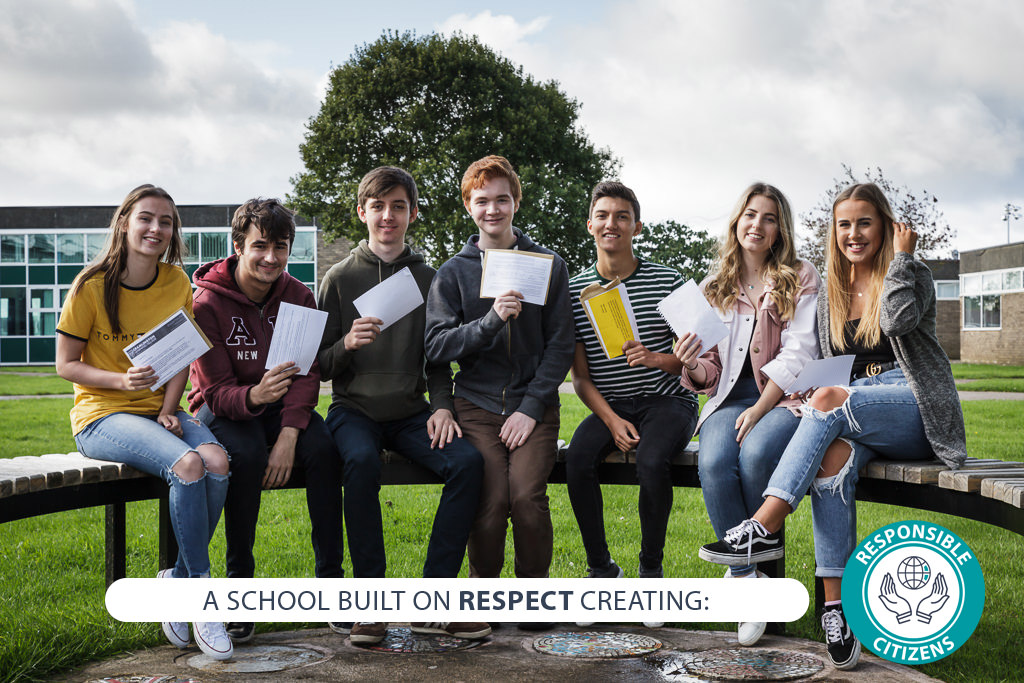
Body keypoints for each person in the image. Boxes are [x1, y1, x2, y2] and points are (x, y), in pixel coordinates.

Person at [695, 183, 966, 669]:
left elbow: (901, 322)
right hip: (850, 412)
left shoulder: (914, 274)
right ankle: (837, 610)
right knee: (831, 464)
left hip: (909, 404)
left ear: (885, 226)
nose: (854, 233)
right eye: (844, 224)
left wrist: (903, 259)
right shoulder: (833, 289)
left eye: (865, 222)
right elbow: (826, 359)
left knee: (827, 401)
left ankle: (763, 524)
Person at [56, 184, 233, 660]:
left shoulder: (176, 282)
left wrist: (168, 409)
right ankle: (200, 596)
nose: (156, 228)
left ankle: (175, 579)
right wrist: (121, 380)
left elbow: (180, 356)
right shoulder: (91, 286)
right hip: (102, 414)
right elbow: (66, 365)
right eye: (147, 218)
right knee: (189, 466)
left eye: (167, 221)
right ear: (125, 224)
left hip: (160, 410)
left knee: (216, 459)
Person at [317, 166, 488, 645]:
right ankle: (371, 603)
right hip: (355, 411)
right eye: (378, 206)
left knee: (467, 463)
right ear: (362, 212)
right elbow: (318, 364)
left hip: (414, 412)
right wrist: (346, 344)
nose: (387, 216)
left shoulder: (429, 278)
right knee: (359, 460)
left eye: (397, 206)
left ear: (412, 213)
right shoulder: (338, 279)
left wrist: (442, 407)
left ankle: (434, 600)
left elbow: (437, 358)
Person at [187, 198, 344, 645]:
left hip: (282, 409)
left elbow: (307, 372)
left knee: (324, 450)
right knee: (247, 453)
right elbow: (213, 392)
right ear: (238, 245)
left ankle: (332, 586)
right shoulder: (206, 304)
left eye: (281, 246)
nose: (271, 258)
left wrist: (291, 433)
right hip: (225, 408)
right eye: (260, 246)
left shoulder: (298, 296)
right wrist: (255, 395)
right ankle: (240, 591)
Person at [674, 182, 820, 646]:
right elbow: (710, 371)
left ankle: (756, 569)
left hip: (783, 399)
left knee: (756, 455)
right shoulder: (712, 287)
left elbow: (800, 353)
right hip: (727, 401)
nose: (758, 225)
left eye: (769, 218)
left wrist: (760, 409)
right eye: (750, 215)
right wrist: (691, 360)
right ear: (737, 222)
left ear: (780, 230)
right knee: (714, 460)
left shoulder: (801, 276)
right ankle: (745, 579)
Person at [424, 155, 574, 603]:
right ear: (469, 206)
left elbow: (561, 346)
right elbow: (435, 347)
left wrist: (531, 409)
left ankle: (532, 596)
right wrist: (490, 321)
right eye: (482, 200)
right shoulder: (453, 273)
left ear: (516, 202)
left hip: (534, 406)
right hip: (477, 404)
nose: (493, 209)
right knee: (488, 505)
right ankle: (482, 597)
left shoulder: (547, 264)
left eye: (502, 199)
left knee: (527, 499)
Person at [566, 181, 699, 589]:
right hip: (613, 404)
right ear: (590, 225)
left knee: (651, 460)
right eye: (603, 216)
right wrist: (609, 420)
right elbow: (581, 378)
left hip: (669, 401)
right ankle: (601, 569)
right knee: (575, 459)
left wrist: (656, 358)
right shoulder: (573, 291)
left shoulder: (669, 281)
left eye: (622, 217)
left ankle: (650, 571)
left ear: (637, 227)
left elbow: (698, 361)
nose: (612, 224)